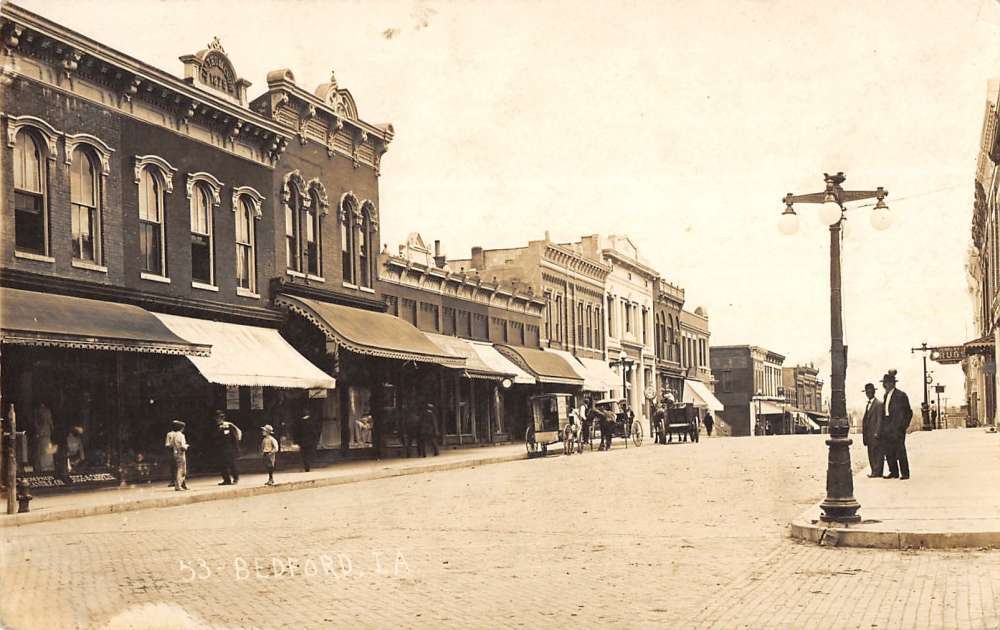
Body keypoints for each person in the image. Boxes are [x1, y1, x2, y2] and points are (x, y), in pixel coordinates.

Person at [881, 370, 911, 480]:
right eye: (884, 383)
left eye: (887, 383)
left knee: (900, 450)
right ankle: (893, 472)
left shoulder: (901, 395)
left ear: (893, 383)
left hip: (897, 427)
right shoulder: (885, 396)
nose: (885, 385)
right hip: (887, 425)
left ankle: (905, 473)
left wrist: (903, 426)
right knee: (889, 450)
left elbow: (909, 412)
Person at [861, 383, 885, 478]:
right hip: (869, 434)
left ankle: (877, 471)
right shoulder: (868, 404)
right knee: (871, 452)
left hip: (875, 434)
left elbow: (880, 419)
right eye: (867, 392)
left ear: (874, 392)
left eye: (870, 391)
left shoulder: (878, 404)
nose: (868, 393)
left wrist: (877, 432)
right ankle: (874, 470)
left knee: (877, 453)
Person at [213, 411, 242, 485]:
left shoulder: (229, 426)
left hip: (230, 449)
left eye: (220, 418)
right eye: (217, 418)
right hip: (221, 450)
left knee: (232, 464)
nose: (218, 420)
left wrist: (236, 448)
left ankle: (235, 478)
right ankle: (226, 480)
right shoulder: (216, 427)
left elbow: (234, 438)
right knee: (222, 465)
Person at [165, 420, 189, 491]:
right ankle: (178, 485)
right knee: (182, 470)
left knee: (179, 469)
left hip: (175, 453)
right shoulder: (181, 435)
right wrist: (186, 446)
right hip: (181, 453)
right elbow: (182, 446)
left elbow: (171, 444)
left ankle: (178, 484)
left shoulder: (173, 435)